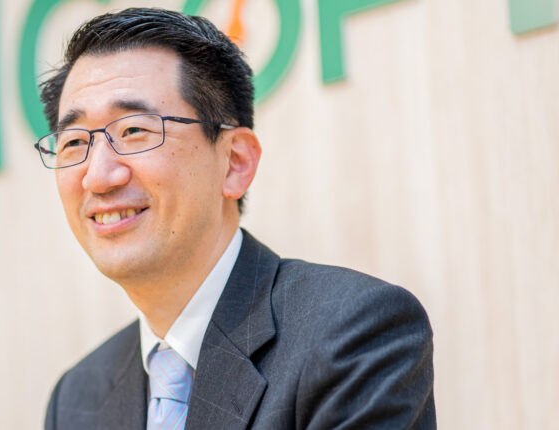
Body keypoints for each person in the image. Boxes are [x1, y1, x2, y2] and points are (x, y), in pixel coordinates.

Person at [34, 8, 435, 430]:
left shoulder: (353, 333)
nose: (98, 177)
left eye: (134, 131)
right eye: (74, 142)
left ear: (235, 162)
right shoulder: (77, 398)